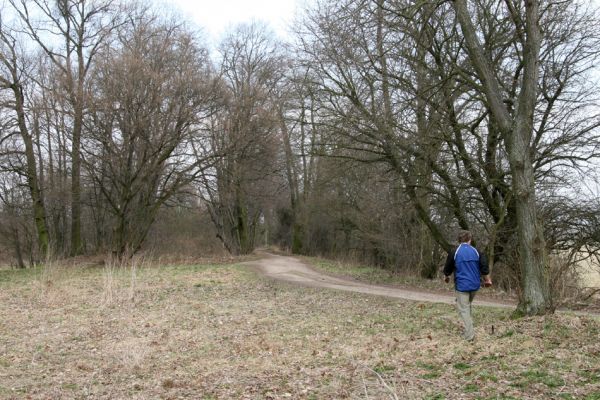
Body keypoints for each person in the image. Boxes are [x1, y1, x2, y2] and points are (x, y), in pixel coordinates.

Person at [443, 230, 492, 341]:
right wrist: (487, 280)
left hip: (462, 286)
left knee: (463, 309)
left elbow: (448, 268)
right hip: (475, 285)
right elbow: (484, 267)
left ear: (459, 240)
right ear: (470, 239)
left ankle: (469, 336)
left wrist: (446, 276)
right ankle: (468, 330)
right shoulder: (477, 251)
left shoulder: (455, 252)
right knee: (467, 306)